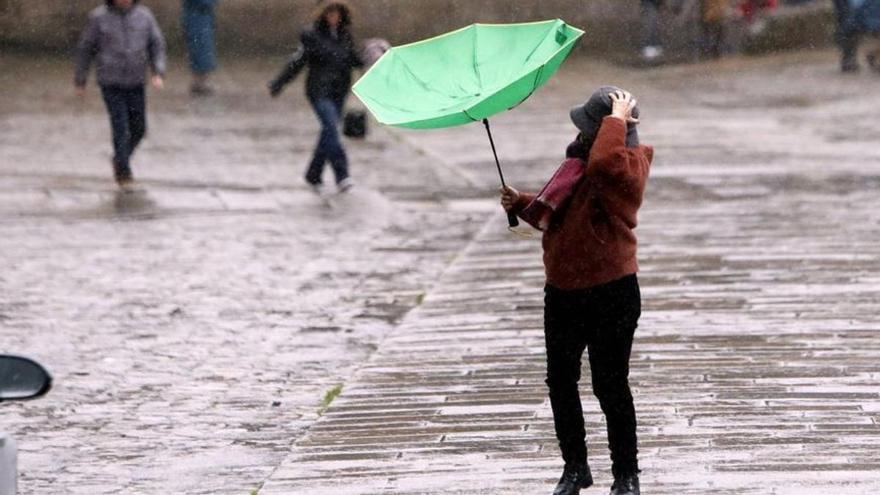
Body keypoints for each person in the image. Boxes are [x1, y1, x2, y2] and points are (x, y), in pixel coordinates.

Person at [500, 88, 652, 495]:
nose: (581, 135)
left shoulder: (627, 166)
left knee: (610, 383)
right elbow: (562, 216)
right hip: (564, 290)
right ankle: (575, 467)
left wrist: (615, 119)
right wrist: (523, 203)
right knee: (561, 381)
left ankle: (626, 474)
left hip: (612, 291)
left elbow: (605, 163)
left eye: (590, 127)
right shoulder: (575, 165)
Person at [268, 0, 364, 195]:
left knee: (328, 133)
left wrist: (373, 54)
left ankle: (313, 173)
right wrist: (279, 83)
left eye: (337, 13)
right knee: (330, 127)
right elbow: (298, 62)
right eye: (330, 13)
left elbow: (354, 60)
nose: (333, 17)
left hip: (340, 90)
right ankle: (342, 174)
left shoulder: (345, 35)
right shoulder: (311, 35)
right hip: (319, 91)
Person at [74, 0, 166, 191]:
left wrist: (158, 71)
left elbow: (156, 44)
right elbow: (86, 48)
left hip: (136, 80)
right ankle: (123, 171)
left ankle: (120, 158)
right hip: (111, 81)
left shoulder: (144, 16)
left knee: (139, 127)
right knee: (120, 125)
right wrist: (81, 79)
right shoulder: (98, 18)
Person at [182, 0, 219, 96]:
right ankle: (200, 82)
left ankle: (199, 81)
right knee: (200, 52)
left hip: (202, 19)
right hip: (197, 19)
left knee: (202, 51)